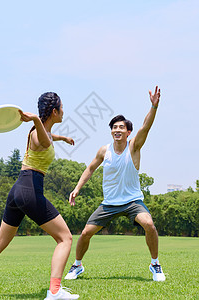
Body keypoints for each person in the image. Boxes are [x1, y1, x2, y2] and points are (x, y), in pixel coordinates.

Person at [0, 92, 79, 300]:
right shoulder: (37, 133)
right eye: (62, 108)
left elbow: (50, 137)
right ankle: (54, 291)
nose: (64, 111)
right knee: (65, 238)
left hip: (18, 190)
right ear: (54, 111)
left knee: (0, 242)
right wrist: (35, 118)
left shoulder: (42, 131)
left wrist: (64, 138)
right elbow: (44, 141)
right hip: (30, 190)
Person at [64, 86, 166, 282]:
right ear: (111, 131)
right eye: (114, 127)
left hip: (132, 201)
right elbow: (90, 169)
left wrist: (153, 107)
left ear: (128, 132)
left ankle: (155, 264)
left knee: (149, 225)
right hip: (109, 203)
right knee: (85, 233)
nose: (117, 130)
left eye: (121, 127)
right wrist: (77, 188)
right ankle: (77, 265)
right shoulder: (104, 150)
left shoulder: (134, 146)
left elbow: (146, 126)